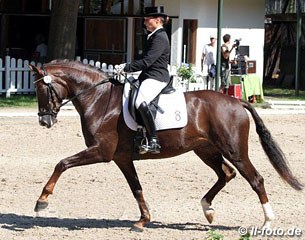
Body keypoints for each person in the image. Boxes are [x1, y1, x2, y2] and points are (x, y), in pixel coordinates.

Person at [116, 6, 170, 154]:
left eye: (147, 20)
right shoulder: (153, 35)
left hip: (157, 77)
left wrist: (126, 67)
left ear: (158, 20)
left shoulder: (160, 37)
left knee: (140, 100)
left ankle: (153, 140)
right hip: (148, 76)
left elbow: (147, 62)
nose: (145, 23)